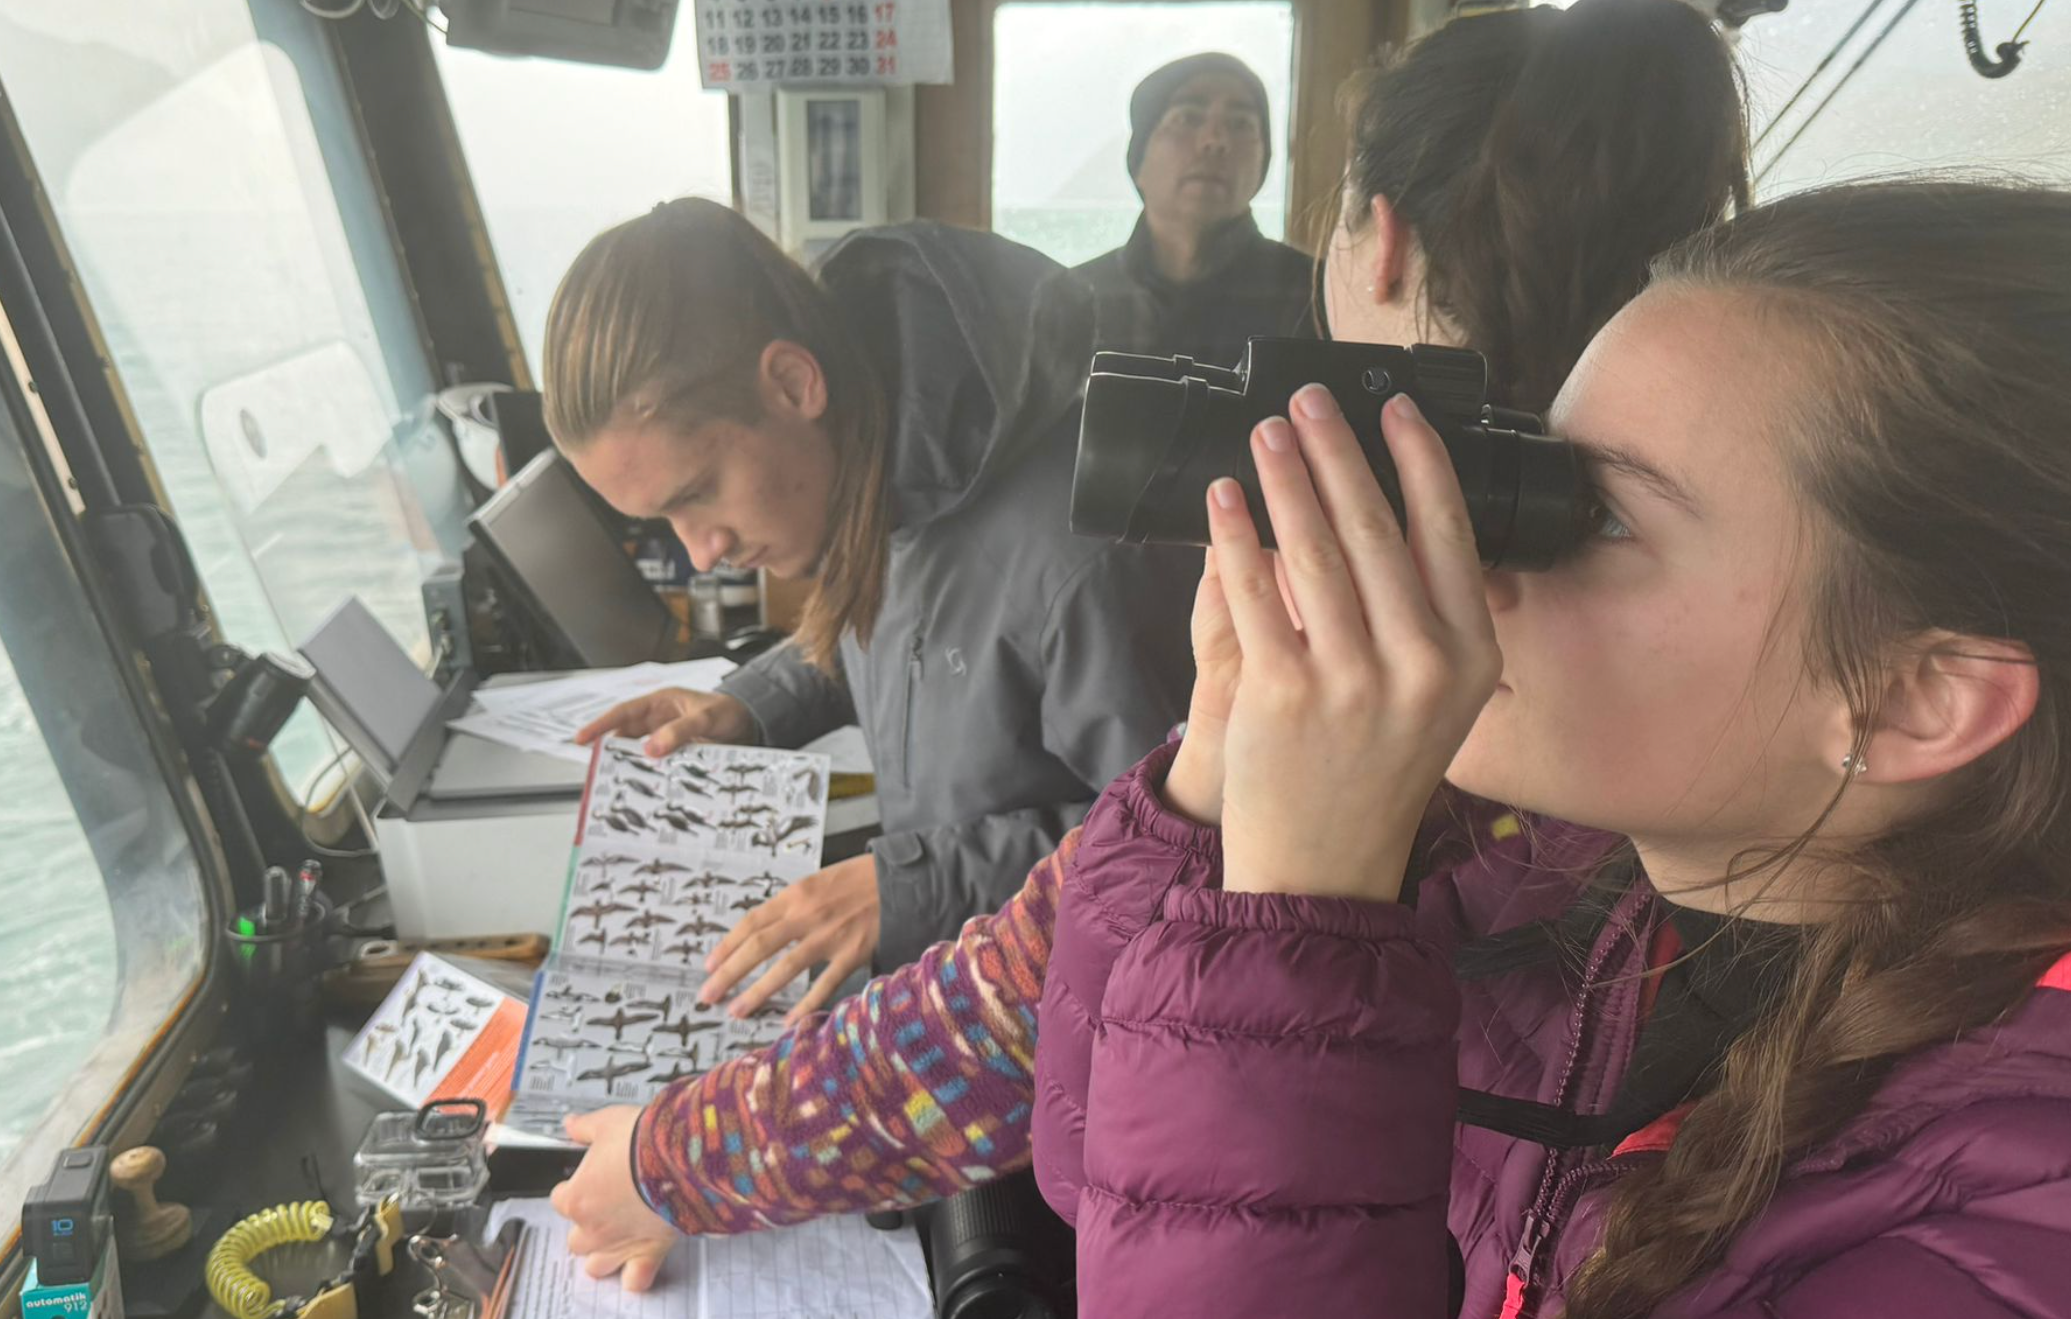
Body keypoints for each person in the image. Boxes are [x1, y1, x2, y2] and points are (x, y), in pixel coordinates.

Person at [546, 0, 1753, 1292]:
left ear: (1379, 244)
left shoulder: (1388, 705)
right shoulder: (1690, 720)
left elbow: (1018, 1017)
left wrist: (1295, 892)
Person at [1041, 178, 2071, 1317]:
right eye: (1526, 473)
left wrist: (1298, 916)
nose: (1470, 566)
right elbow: (1105, 1168)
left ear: (1910, 701)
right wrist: (1223, 785)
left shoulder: (2016, 1207)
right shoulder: (1533, 883)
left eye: (1605, 517)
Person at [548, 200, 1199, 1024]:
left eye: (697, 494)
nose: (700, 552)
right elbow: (910, 638)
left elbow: (1184, 849)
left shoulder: (1084, 552)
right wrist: (748, 705)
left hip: (1076, 1031)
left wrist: (907, 887)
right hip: (964, 977)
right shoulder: (892, 463)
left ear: (791, 383)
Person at [1027, 51, 1316, 380]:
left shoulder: (1315, 296)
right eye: (1188, 118)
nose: (1215, 141)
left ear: (1264, 161)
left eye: (1240, 124)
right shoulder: (1070, 299)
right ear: (1139, 162)